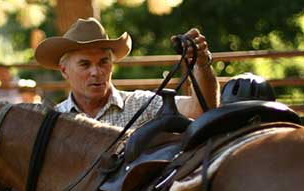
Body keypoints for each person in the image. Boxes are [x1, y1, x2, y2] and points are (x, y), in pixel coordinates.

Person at [34, 18, 218, 129]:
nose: (96, 72)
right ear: (64, 70)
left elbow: (200, 111)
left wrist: (202, 63)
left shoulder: (141, 105)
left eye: (103, 62)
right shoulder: (53, 121)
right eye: (85, 64)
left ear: (112, 64)